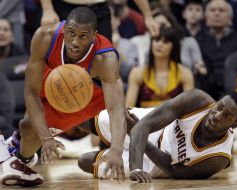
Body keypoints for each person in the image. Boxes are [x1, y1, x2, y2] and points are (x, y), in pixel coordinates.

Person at [0, 7, 127, 186]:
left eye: (83, 37)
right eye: (71, 33)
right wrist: (46, 138)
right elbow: (31, 92)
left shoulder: (105, 59)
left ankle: (20, 158)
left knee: (28, 127)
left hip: (82, 90)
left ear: (94, 36)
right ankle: (18, 152)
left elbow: (116, 109)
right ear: (64, 29)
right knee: (30, 126)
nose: (74, 42)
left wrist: (116, 149)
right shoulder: (45, 37)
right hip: (48, 77)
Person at [78, 89, 237, 182]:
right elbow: (144, 125)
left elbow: (175, 171)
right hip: (155, 128)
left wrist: (138, 169)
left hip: (158, 164)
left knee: (85, 161)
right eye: (219, 107)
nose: (218, 115)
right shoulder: (197, 100)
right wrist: (135, 166)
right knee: (83, 122)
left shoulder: (218, 157)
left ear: (234, 124)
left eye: (227, 116)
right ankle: (52, 127)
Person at [126, 26, 194, 108]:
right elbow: (129, 108)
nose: (160, 44)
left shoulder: (185, 73)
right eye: (157, 40)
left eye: (165, 42)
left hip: (175, 119)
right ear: (151, 43)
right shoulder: (137, 73)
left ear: (173, 46)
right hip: (146, 119)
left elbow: (190, 108)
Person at [39, 0, 159, 39]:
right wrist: (47, 9)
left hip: (100, 10)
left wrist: (148, 15)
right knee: (67, 66)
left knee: (106, 64)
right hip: (66, 9)